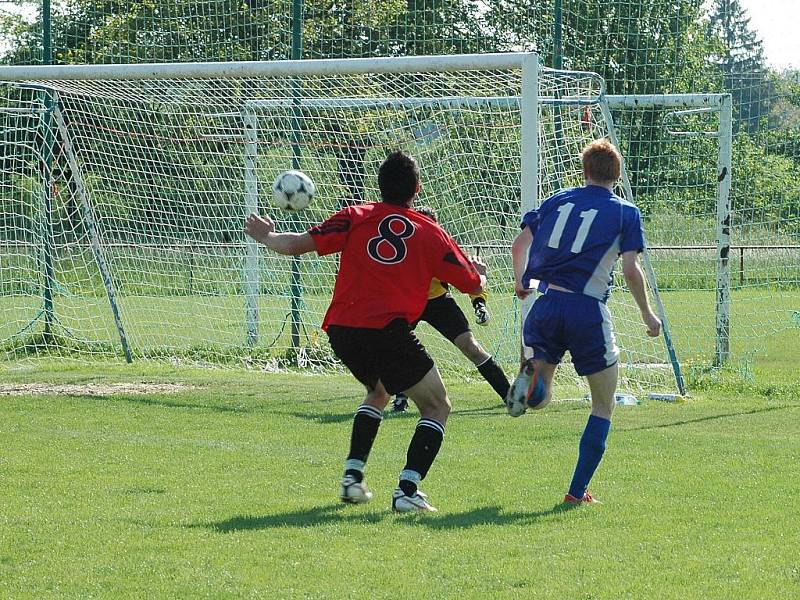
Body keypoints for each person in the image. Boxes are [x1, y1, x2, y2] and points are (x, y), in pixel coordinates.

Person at [244, 150, 486, 513]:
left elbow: (295, 246)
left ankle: (352, 478)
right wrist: (480, 273)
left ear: (379, 186)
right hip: (386, 329)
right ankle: (407, 490)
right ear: (417, 189)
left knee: (378, 392)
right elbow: (469, 282)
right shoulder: (430, 231)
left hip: (342, 329)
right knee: (437, 406)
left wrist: (267, 236)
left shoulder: (355, 215)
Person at [507, 138, 661, 505]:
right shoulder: (625, 212)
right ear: (617, 175)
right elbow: (630, 269)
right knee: (602, 405)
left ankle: (531, 387)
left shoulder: (557, 199)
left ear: (584, 171)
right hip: (587, 309)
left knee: (542, 396)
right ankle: (576, 492)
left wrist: (520, 281)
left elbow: (518, 245)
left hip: (544, 304)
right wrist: (647, 313)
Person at [391, 206, 509, 413]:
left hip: (438, 302)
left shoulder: (444, 249)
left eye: (428, 226)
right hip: (409, 302)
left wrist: (479, 304)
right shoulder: (401, 250)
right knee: (399, 349)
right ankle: (401, 396)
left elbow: (469, 279)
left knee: (470, 346)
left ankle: (509, 395)